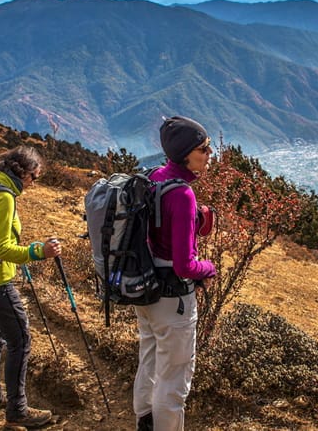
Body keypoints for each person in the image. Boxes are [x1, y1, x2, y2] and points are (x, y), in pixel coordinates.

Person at [0, 145, 62, 429]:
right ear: (22, 172)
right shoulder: (4, 197)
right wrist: (37, 252)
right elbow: (1, 248)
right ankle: (17, 410)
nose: (33, 183)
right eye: (34, 177)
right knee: (20, 341)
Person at [133, 116, 217, 431]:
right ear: (186, 154)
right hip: (174, 298)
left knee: (150, 360)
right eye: (204, 149)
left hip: (145, 288)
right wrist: (210, 267)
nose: (210, 154)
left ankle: (144, 423)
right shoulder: (181, 195)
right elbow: (185, 265)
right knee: (174, 378)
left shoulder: (154, 177)